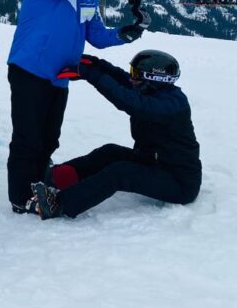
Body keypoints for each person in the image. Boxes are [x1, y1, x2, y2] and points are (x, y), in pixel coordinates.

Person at [6, 0, 147, 214]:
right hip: (29, 69)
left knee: (49, 136)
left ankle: (39, 183)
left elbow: (97, 36)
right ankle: (21, 197)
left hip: (60, 77)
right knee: (28, 137)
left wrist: (126, 33)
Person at [30, 50, 201, 219]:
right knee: (110, 152)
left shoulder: (173, 105)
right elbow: (123, 79)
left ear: (154, 78)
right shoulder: (151, 91)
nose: (131, 78)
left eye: (136, 74)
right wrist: (97, 64)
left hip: (178, 181)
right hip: (152, 162)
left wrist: (92, 75)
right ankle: (55, 177)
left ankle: (58, 205)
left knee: (120, 173)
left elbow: (129, 101)